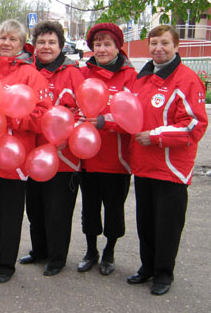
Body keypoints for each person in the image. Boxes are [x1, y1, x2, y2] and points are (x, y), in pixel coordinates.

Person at [128, 25, 208, 295]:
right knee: (146, 222)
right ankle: (147, 267)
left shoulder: (187, 79)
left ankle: (163, 274)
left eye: (164, 43)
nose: (158, 48)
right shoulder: (143, 77)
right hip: (143, 165)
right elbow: (131, 116)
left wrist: (156, 136)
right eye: (153, 43)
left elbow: (194, 125)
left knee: (167, 226)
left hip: (170, 169)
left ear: (176, 46)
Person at [0, 19, 52, 283]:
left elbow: (43, 116)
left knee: (10, 211)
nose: (6, 43)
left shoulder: (31, 75)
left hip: (15, 155)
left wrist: (15, 119)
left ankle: (6, 263)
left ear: (21, 45)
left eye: (13, 40)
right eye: (2, 38)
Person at [18, 20, 84, 276]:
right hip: (32, 154)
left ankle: (57, 257)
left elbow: (83, 111)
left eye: (51, 42)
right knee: (35, 207)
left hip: (63, 156)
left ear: (61, 46)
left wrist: (70, 133)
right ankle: (39, 250)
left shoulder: (72, 74)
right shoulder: (26, 71)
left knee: (58, 210)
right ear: (34, 45)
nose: (46, 47)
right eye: (41, 42)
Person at [78, 22, 136, 276]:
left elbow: (136, 118)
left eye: (107, 44)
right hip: (87, 157)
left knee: (113, 209)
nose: (102, 49)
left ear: (118, 47)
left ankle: (109, 252)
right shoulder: (82, 74)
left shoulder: (131, 78)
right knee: (89, 207)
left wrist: (106, 122)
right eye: (97, 44)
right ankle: (90, 251)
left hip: (117, 159)